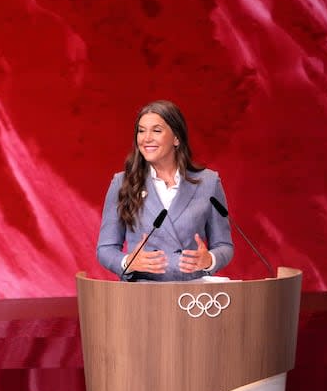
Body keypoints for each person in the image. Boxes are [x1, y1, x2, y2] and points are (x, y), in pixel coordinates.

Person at [96, 100, 233, 281]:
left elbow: (224, 245)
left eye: (157, 130)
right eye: (141, 130)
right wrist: (128, 262)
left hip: (192, 295)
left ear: (176, 138)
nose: (146, 138)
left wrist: (210, 260)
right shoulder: (123, 182)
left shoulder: (208, 182)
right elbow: (105, 249)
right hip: (141, 295)